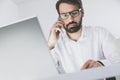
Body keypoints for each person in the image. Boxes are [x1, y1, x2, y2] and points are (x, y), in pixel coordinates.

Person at [48, 0, 120, 79]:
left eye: (74, 13)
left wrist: (102, 64)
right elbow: (48, 75)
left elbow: (118, 61)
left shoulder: (101, 33)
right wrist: (50, 45)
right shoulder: (55, 46)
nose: (70, 19)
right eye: (64, 15)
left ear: (82, 12)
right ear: (59, 18)